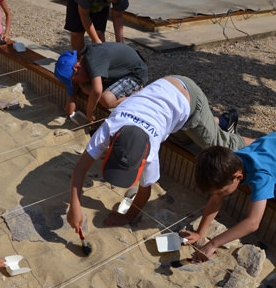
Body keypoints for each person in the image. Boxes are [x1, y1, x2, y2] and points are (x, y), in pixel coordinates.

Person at [67, 75, 254, 231]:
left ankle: (259, 139)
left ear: (144, 159)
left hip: (188, 98)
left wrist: (127, 217)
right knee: (184, 137)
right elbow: (81, 167)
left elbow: (144, 193)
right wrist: (74, 206)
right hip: (165, 92)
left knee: (218, 144)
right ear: (110, 145)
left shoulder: (151, 151)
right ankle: (215, 122)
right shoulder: (109, 128)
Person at [181, 133, 276, 262]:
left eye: (222, 191)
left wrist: (213, 243)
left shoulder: (261, 176)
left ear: (238, 177)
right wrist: (199, 233)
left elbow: (253, 223)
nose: (219, 195)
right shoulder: (230, 162)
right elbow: (216, 200)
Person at [54, 42, 148, 121]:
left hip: (135, 74)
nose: (77, 83)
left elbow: (97, 91)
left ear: (76, 67)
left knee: (105, 99)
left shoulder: (94, 60)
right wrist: (71, 99)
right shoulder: (83, 62)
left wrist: (90, 113)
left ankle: (138, 94)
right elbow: (77, 83)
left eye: (75, 81)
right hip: (118, 72)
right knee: (86, 89)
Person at [65, 0, 129, 53]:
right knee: (77, 32)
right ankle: (78, 58)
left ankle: (101, 60)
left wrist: (120, 42)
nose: (114, 1)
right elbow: (84, 15)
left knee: (99, 33)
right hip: (78, 0)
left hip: (100, 2)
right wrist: (96, 41)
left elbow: (118, 16)